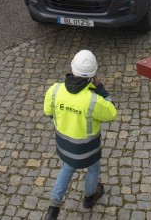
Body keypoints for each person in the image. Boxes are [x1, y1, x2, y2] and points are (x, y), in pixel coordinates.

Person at [43, 50, 118, 220]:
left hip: (65, 148)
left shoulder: (54, 90)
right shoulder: (93, 100)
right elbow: (112, 111)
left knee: (67, 168)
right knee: (93, 169)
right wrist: (100, 88)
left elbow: (48, 112)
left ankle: (53, 208)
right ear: (93, 75)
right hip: (89, 150)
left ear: (71, 68)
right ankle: (89, 198)